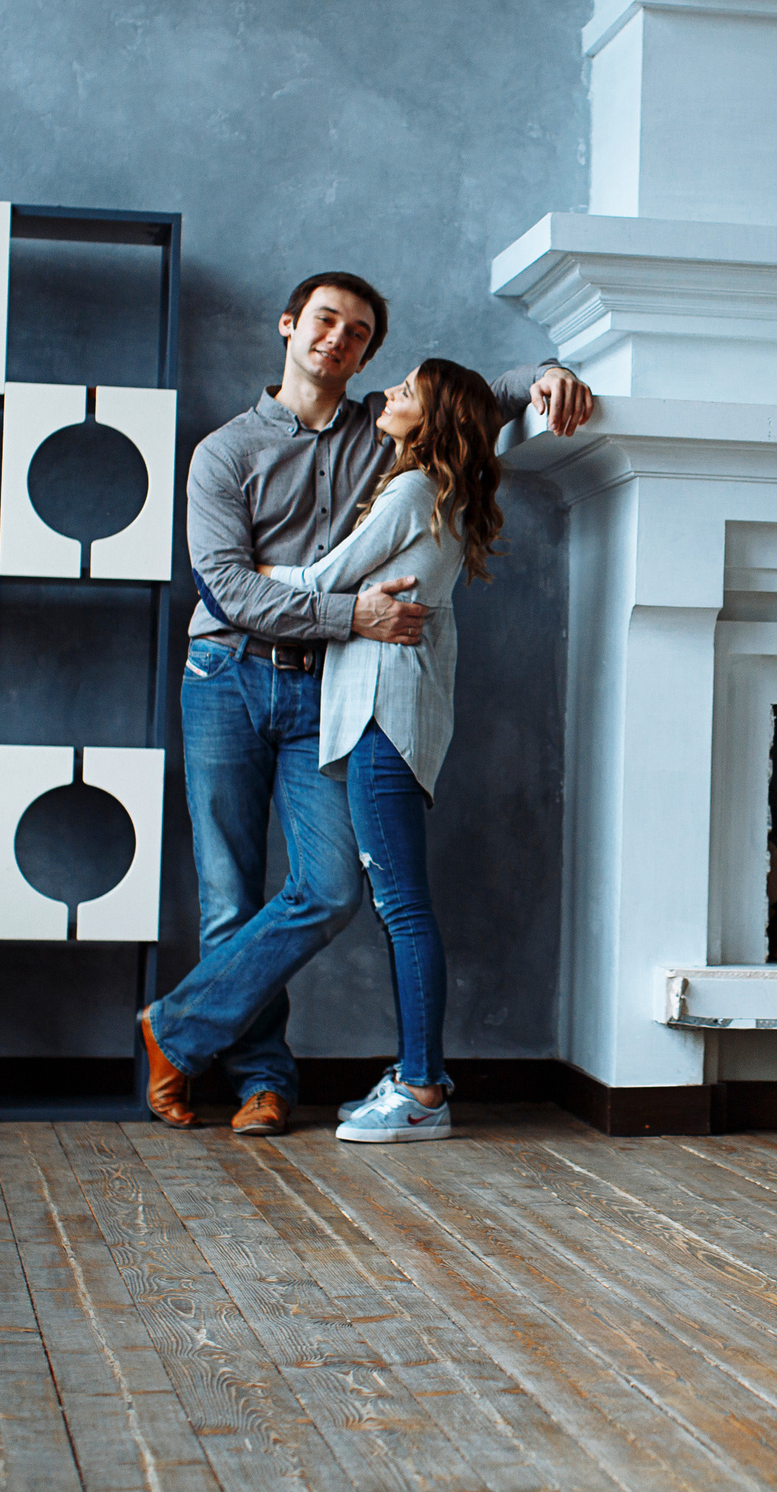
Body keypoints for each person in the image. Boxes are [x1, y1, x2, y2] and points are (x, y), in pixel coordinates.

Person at [140, 272, 591, 1136]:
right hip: (226, 674)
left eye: (356, 332)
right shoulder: (223, 452)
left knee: (329, 884)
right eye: (323, 322)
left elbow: (479, 395)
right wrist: (355, 613)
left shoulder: (382, 432)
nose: (336, 340)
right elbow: (228, 589)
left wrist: (550, 370)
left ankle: (176, 1031)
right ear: (288, 326)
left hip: (326, 687)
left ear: (369, 352)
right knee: (230, 891)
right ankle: (259, 1079)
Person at [255, 358, 502, 1142]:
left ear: (437, 417)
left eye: (409, 388)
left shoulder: (411, 490)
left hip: (379, 719)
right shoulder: (436, 495)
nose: (391, 392)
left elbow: (323, 578)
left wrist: (254, 570)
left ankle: (423, 1089)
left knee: (402, 906)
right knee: (402, 906)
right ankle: (416, 1076)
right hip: (397, 717)